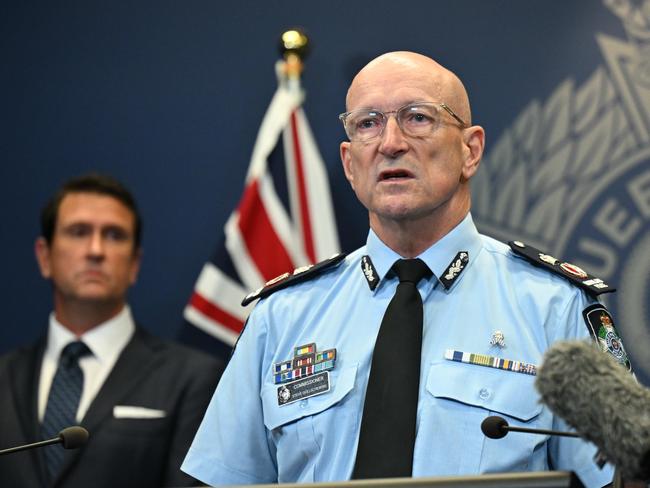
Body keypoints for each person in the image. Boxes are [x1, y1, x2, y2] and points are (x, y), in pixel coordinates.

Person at [182, 52, 620, 487]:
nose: (390, 142)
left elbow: (616, 479)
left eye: (417, 118)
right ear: (350, 164)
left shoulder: (555, 307)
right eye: (367, 123)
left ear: (471, 150)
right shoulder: (282, 315)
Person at [0, 173, 223, 487]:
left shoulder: (193, 379)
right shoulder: (4, 376)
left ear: (135, 264)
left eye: (114, 235)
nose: (95, 250)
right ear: (44, 256)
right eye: (78, 232)